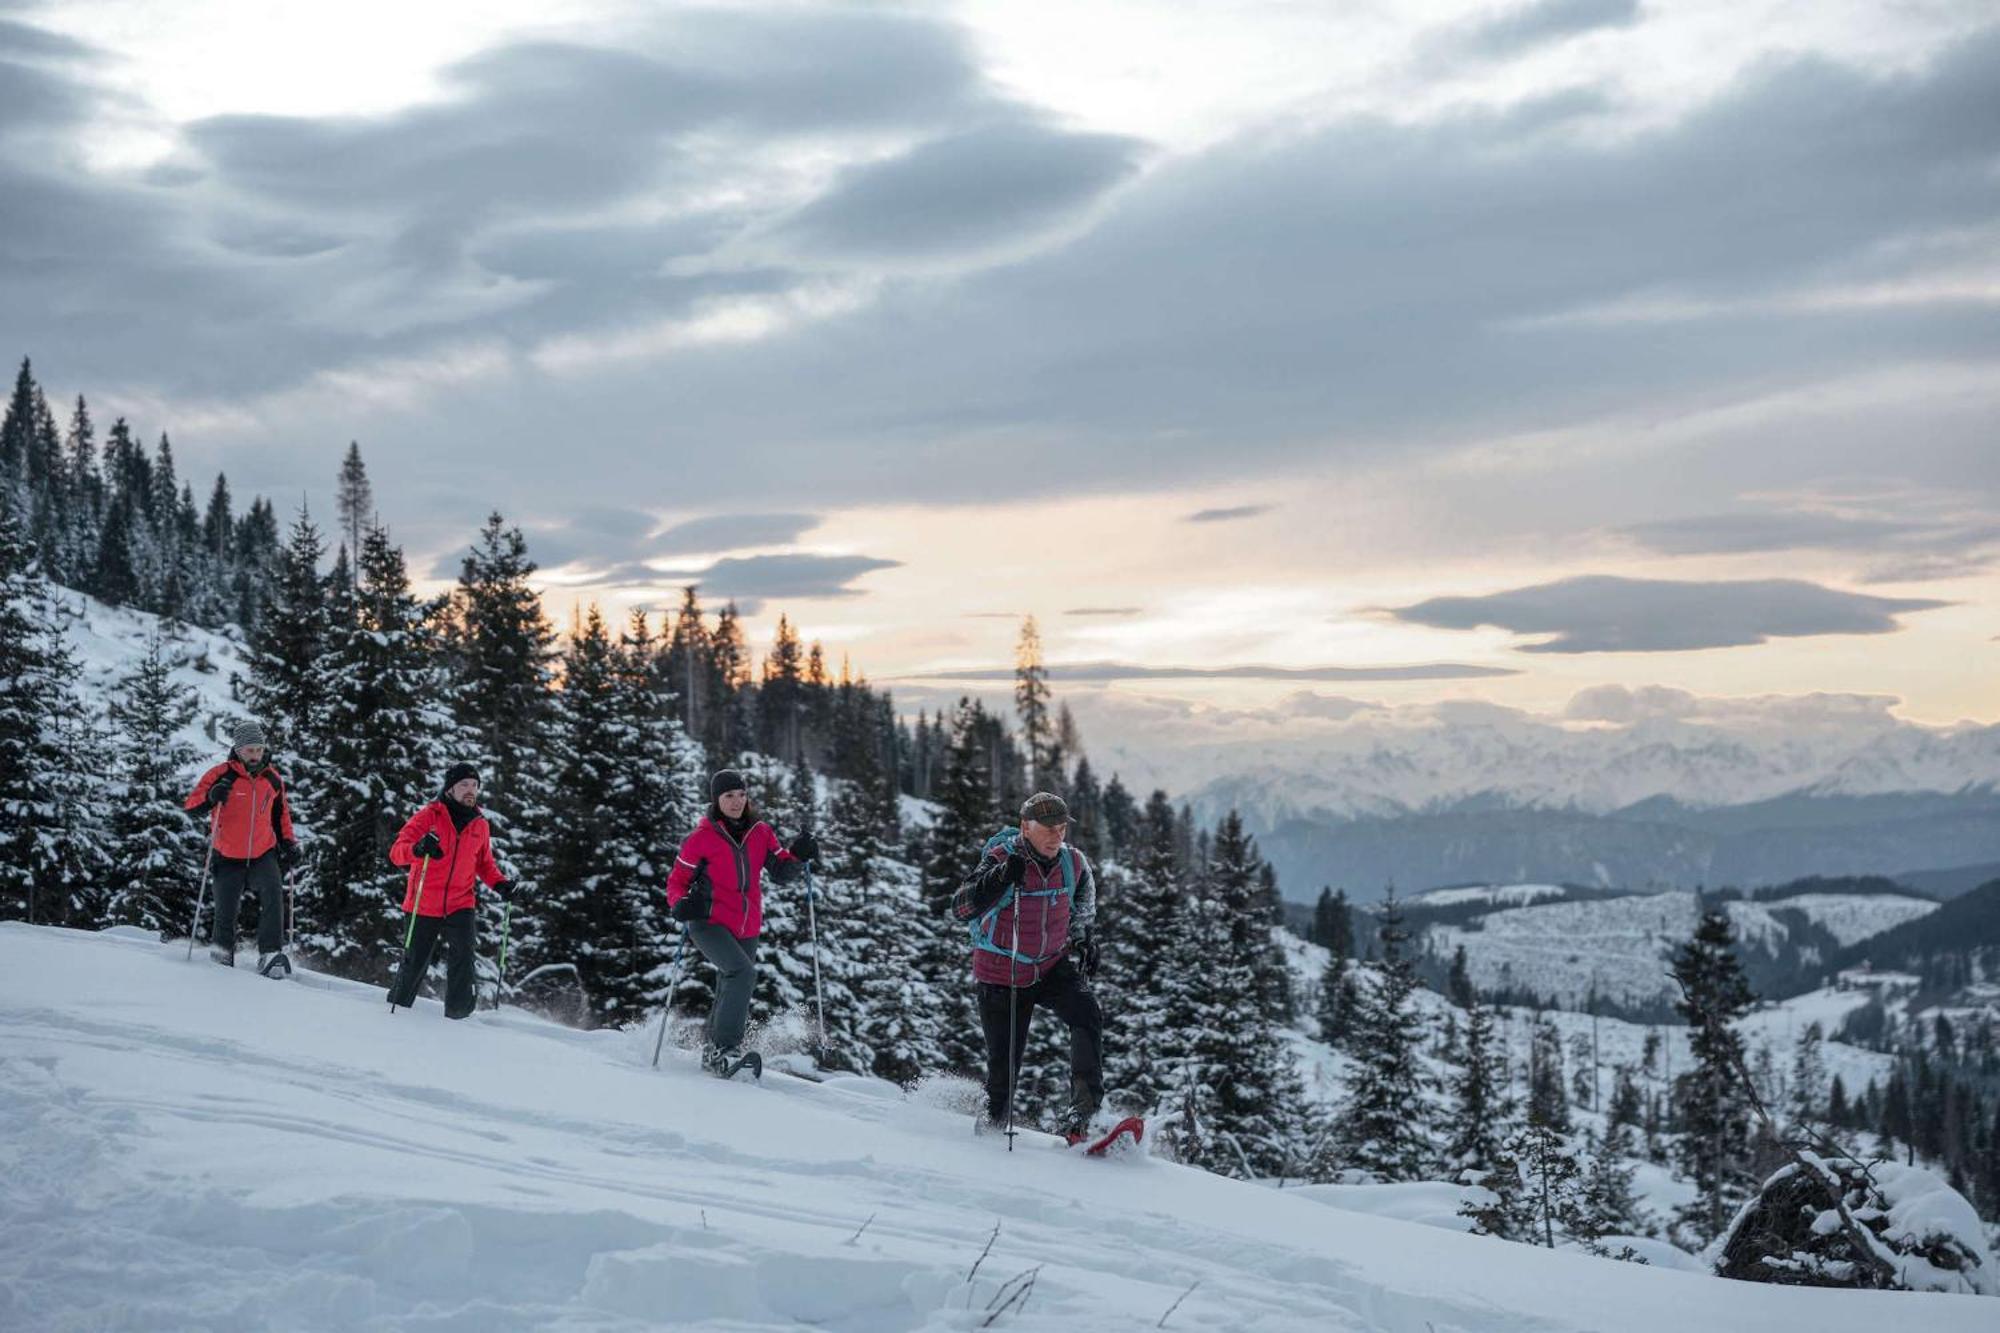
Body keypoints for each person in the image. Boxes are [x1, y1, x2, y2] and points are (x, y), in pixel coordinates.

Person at [953, 791, 1103, 1139]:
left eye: (1062, 828)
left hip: (1049, 967)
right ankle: (987, 1137)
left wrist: (1083, 937)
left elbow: (1083, 901)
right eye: (1048, 828)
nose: (1056, 836)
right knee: (1004, 1075)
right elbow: (960, 908)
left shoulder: (1074, 863)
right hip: (1000, 974)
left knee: (1087, 1014)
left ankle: (1085, 1118)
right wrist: (1001, 877)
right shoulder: (1000, 858)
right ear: (1025, 827)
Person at [664, 770, 820, 1074]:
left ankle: (712, 1055)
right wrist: (679, 904)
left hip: (746, 925)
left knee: (731, 981)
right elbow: (677, 881)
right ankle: (726, 1049)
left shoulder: (760, 832)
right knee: (741, 973)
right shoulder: (701, 839)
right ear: (716, 800)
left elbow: (780, 870)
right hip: (707, 922)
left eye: (741, 795)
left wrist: (798, 857)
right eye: (728, 796)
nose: (737, 802)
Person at [386, 762, 515, 1019]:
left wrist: (500, 883)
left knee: (464, 959)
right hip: (424, 902)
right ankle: (397, 1011)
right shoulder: (429, 816)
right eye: (464, 785)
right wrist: (418, 849)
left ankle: (459, 1017)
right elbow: (396, 852)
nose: (471, 790)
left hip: (461, 903)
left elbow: (484, 864)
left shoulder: (480, 824)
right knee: (414, 963)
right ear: (450, 789)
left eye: (475, 786)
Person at [184, 720, 300, 975]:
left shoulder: (272, 778)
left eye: (259, 749)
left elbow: (281, 816)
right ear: (238, 749)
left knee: (273, 893)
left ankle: (270, 953)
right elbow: (191, 806)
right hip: (227, 854)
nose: (256, 755)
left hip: (262, 852)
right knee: (226, 907)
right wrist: (211, 796)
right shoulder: (220, 774)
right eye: (250, 750)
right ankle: (222, 952)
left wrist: (289, 843)